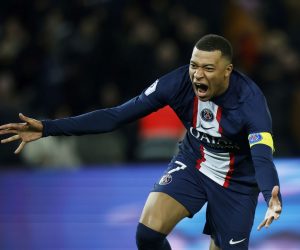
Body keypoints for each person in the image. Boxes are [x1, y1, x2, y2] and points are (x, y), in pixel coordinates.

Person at [0, 34, 282, 250]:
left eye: (208, 68)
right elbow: (116, 116)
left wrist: (270, 193)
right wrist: (49, 128)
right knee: (147, 234)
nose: (198, 75)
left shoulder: (251, 103)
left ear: (227, 70)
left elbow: (261, 156)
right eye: (194, 65)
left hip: (237, 183)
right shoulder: (176, 84)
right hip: (195, 163)